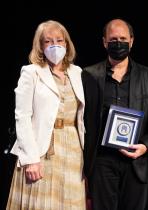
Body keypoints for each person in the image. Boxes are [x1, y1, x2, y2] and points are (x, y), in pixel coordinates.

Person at [6, 20, 86, 209]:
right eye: (48, 42)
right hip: (41, 151)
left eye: (60, 40)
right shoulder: (31, 72)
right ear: (40, 46)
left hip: (74, 151)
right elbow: (22, 117)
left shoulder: (77, 72)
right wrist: (31, 159)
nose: (55, 45)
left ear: (67, 44)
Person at [82, 19, 148, 210]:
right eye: (113, 39)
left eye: (123, 38)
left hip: (137, 160)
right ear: (104, 42)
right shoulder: (88, 75)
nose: (118, 43)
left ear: (132, 41)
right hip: (102, 161)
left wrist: (146, 146)